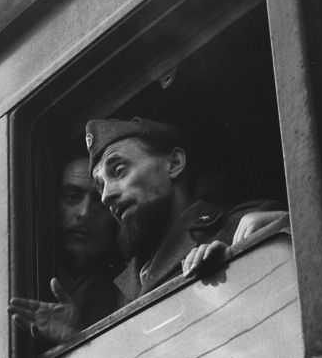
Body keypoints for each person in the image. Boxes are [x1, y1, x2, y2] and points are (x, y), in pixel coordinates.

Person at [86, 116, 290, 303]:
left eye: (119, 171)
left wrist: (288, 228)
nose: (105, 196)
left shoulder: (241, 226)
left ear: (174, 164)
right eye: (101, 186)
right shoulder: (128, 285)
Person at [8, 150, 123, 346]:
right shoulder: (24, 280)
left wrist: (76, 337)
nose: (84, 213)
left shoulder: (127, 289)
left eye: (99, 200)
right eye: (72, 196)